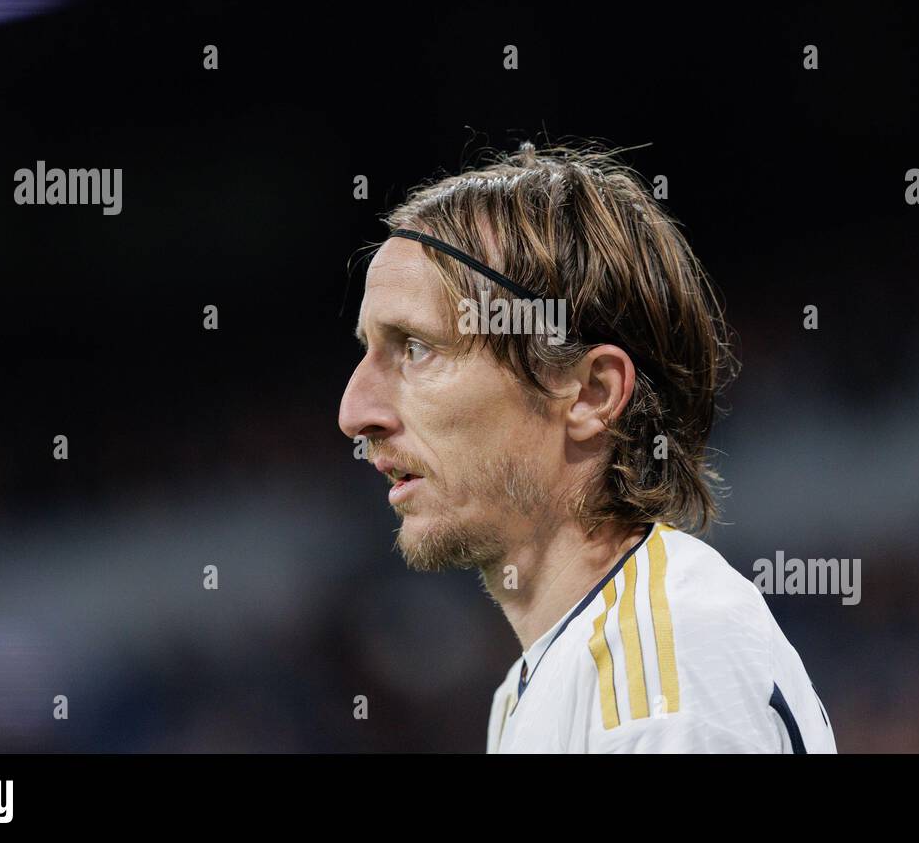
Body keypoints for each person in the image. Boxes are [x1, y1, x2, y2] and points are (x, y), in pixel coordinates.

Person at [339, 140, 836, 753]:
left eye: (416, 347)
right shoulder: (548, 683)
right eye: (368, 349)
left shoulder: (658, 672)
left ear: (590, 394)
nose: (354, 413)